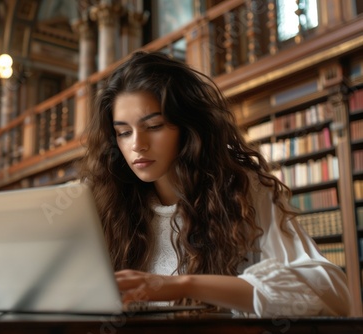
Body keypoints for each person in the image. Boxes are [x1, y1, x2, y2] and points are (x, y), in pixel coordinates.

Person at [78, 50, 351, 317]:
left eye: (154, 126)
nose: (137, 144)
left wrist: (182, 286)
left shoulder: (242, 192)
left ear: (188, 128)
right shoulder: (105, 206)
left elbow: (330, 293)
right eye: (123, 132)